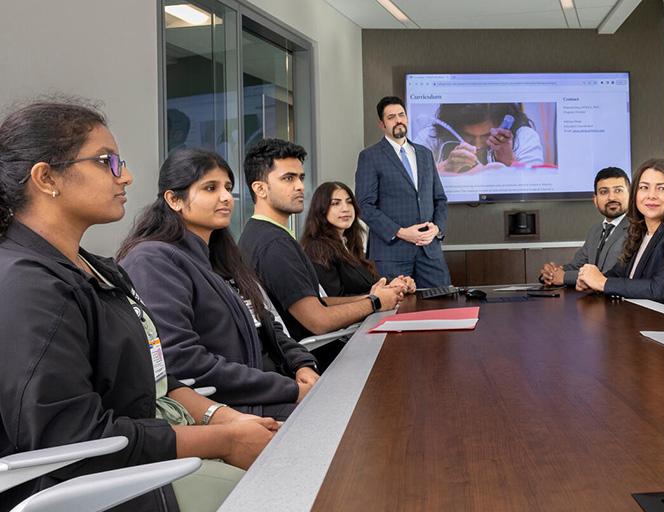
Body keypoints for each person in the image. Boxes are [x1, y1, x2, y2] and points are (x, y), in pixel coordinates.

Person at [0, 100, 278, 511]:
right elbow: (73, 441)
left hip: (142, 458)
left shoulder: (101, 271)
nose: (125, 176)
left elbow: (155, 380)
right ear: (46, 178)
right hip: (102, 489)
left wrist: (225, 418)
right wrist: (224, 439)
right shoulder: (28, 284)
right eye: (106, 162)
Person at [118, 148, 319, 421]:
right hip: (233, 409)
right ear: (174, 199)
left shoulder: (219, 256)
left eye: (228, 187)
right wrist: (290, 389)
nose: (226, 197)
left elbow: (265, 323)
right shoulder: (152, 260)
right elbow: (180, 359)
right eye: (210, 188)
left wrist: (302, 364)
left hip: (270, 390)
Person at [239, 138, 403, 366]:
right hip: (312, 361)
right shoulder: (274, 245)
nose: (299, 186)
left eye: (300, 178)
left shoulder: (260, 233)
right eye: (288, 178)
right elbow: (318, 320)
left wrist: (371, 296)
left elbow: (317, 303)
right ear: (260, 188)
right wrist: (375, 302)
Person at [575, 158, 664, 308]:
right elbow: (617, 274)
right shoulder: (640, 231)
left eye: (662, 188)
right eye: (644, 188)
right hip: (644, 318)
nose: (651, 195)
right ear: (635, 194)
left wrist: (603, 283)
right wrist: (592, 281)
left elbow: (659, 290)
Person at [355, 96, 451, 288]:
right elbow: (364, 206)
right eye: (391, 117)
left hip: (429, 251)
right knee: (396, 312)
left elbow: (439, 199)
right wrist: (401, 232)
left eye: (401, 115)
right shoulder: (370, 156)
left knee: (443, 304)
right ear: (382, 124)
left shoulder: (424, 154)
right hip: (391, 255)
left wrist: (437, 229)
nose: (398, 120)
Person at [301, 181, 416, 296]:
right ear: (321, 210)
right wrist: (378, 296)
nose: (345, 208)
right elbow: (334, 300)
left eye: (349, 202)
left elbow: (368, 284)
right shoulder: (318, 249)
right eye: (335, 203)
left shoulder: (349, 243)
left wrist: (394, 284)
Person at [539, 166, 629, 287]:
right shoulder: (595, 231)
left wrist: (564, 277)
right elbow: (577, 265)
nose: (611, 197)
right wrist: (551, 273)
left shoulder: (637, 229)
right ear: (595, 200)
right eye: (604, 192)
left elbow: (608, 275)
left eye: (618, 190)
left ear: (630, 195)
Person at [413, 102, 544, 174]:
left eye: (487, 135)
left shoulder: (524, 137)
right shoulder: (431, 137)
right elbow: (410, 183)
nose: (478, 146)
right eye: (468, 136)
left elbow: (537, 184)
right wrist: (445, 168)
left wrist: (510, 161)